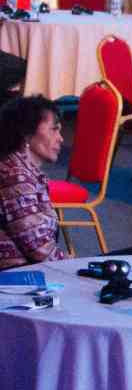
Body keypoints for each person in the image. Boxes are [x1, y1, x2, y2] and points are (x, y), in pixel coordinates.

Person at [0, 96, 65, 269]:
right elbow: (38, 249)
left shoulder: (19, 168)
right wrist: (73, 266)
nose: (60, 138)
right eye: (54, 129)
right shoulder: (15, 176)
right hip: (17, 277)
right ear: (26, 134)